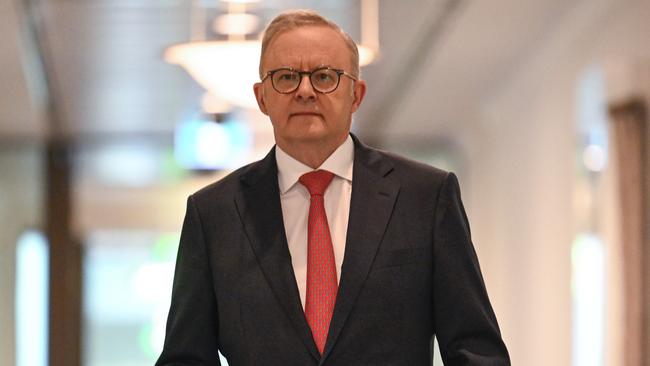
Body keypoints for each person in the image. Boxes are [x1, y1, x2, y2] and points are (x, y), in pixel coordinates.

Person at [156, 9, 510, 366]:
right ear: (262, 97)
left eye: (325, 77)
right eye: (286, 77)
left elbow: (477, 352)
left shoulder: (425, 197)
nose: (305, 91)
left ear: (356, 95)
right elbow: (185, 357)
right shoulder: (214, 214)